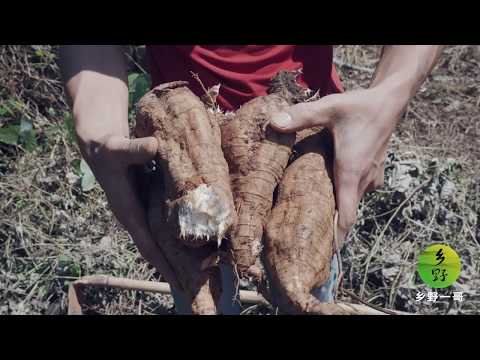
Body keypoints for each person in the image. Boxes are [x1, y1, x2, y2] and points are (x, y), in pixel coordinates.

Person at [59, 45, 444, 314]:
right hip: (188, 154)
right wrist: (95, 120)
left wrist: (389, 96)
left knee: (300, 284)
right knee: (198, 286)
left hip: (306, 140)